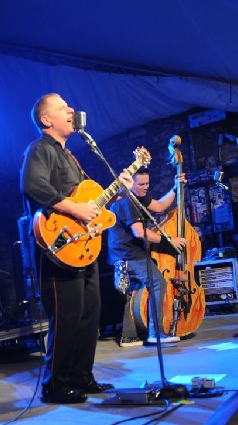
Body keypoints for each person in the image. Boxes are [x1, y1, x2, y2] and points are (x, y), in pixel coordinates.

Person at [20, 93, 131, 404]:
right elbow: (34, 187)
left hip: (84, 246)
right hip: (59, 248)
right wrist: (76, 210)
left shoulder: (71, 156)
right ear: (46, 120)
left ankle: (82, 377)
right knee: (67, 316)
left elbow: (91, 201)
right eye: (62, 107)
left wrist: (116, 193)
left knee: (88, 313)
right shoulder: (39, 149)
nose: (71, 110)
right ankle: (56, 385)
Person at [107, 168, 187, 347]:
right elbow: (139, 233)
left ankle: (129, 336)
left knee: (133, 293)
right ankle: (156, 333)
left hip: (120, 257)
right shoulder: (127, 201)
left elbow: (160, 206)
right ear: (130, 184)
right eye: (141, 184)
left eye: (147, 183)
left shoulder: (137, 198)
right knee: (158, 282)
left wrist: (175, 188)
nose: (145, 187)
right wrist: (169, 241)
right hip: (130, 255)